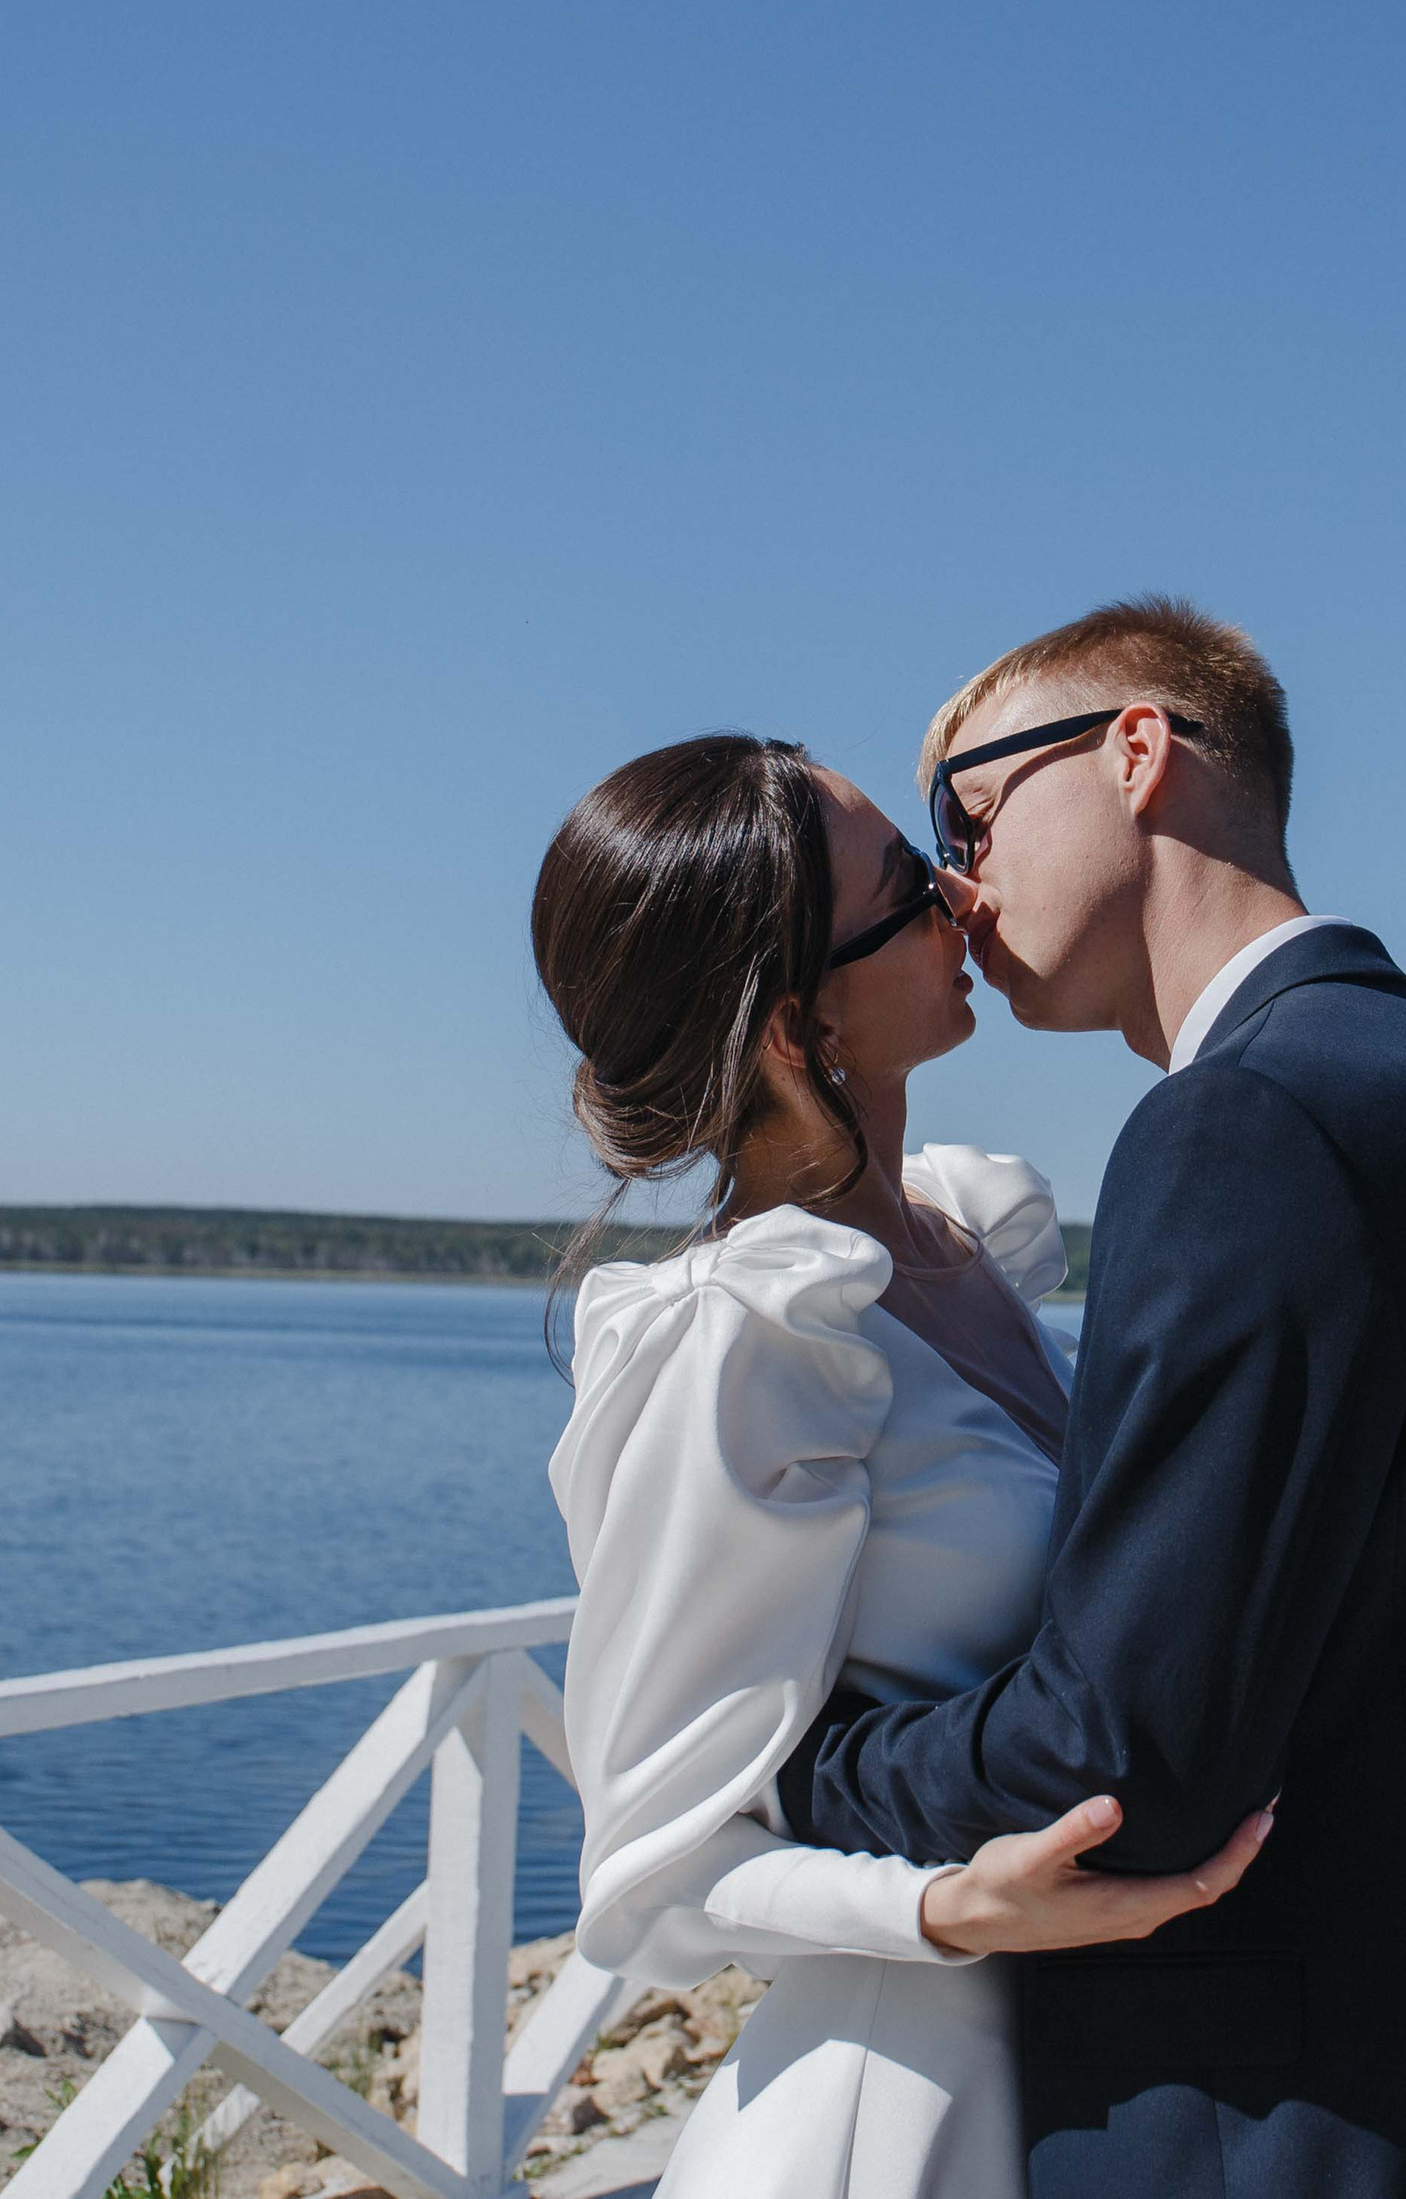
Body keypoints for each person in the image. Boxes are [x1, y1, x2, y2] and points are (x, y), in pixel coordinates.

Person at [777, 598, 1406, 2198]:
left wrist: (804, 1762)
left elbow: (1125, 1757)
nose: (957, 888)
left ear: (1137, 752)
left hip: (1285, 2125)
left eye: (965, 819)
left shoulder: (1247, 1121)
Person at [529, 733, 1269, 2199]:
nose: (963, 894)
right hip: (901, 2107)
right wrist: (943, 1911)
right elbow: (651, 1868)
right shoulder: (744, 1335)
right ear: (798, 1026)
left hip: (1098, 2073)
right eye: (909, 889)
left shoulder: (964, 1242)